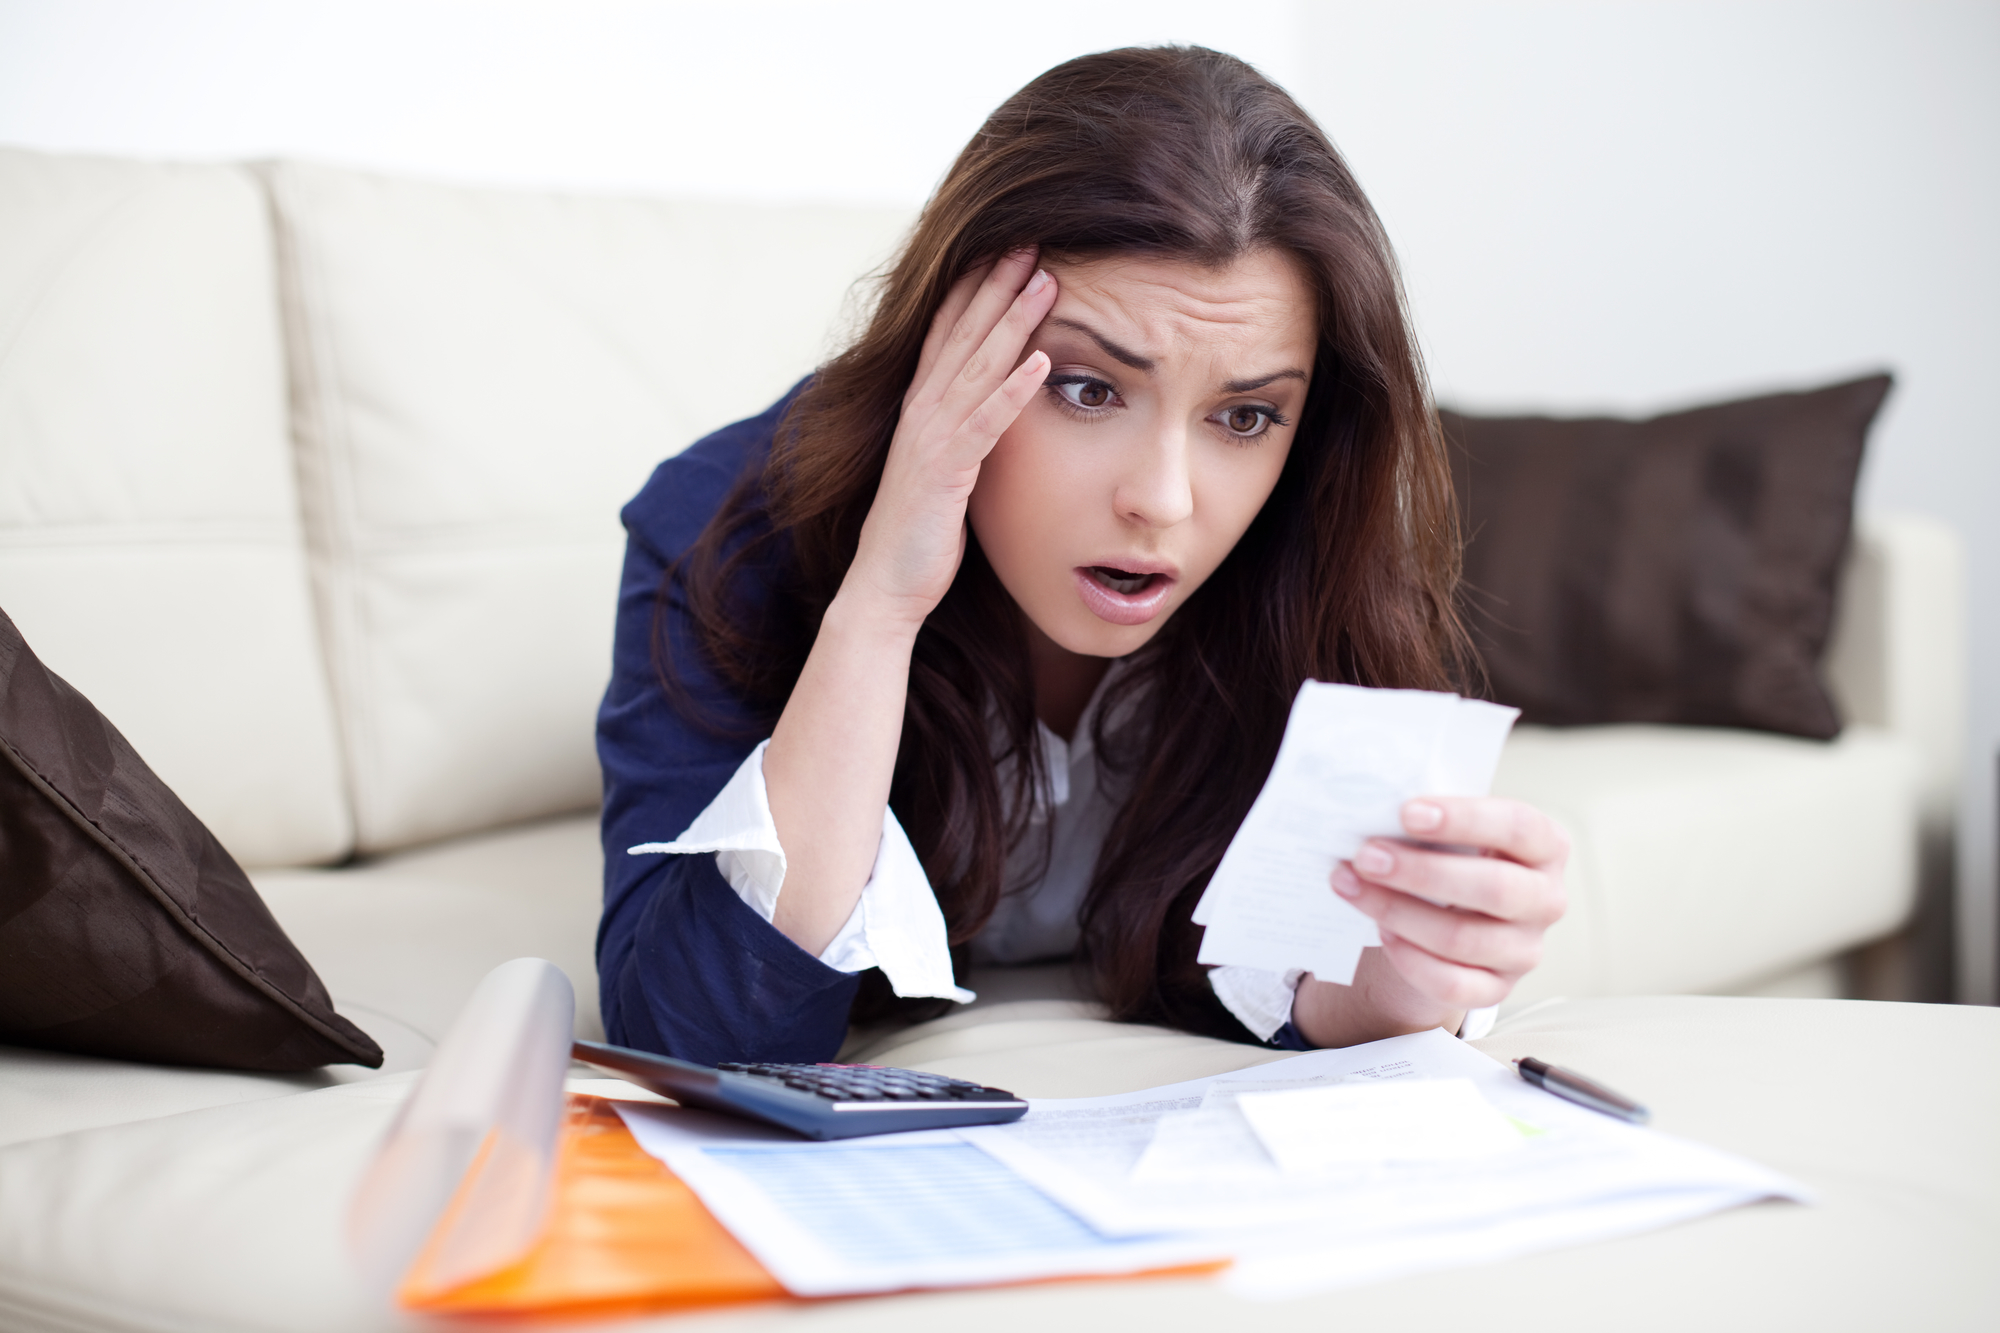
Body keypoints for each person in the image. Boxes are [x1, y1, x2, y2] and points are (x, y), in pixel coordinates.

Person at [596, 45, 1568, 1065]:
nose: (1161, 498)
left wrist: (1384, 989)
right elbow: (695, 1034)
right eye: (1087, 389)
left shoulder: (1312, 538)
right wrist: (880, 605)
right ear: (949, 345)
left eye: (1243, 414)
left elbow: (1301, 977)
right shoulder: (722, 524)